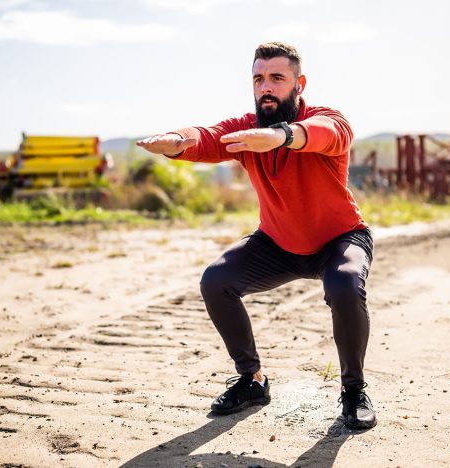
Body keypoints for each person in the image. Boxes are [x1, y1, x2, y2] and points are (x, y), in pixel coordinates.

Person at [137, 42, 376, 430]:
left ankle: (353, 391)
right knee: (216, 281)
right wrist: (175, 140)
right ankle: (252, 380)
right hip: (278, 244)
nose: (266, 86)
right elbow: (208, 136)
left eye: (277, 78)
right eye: (259, 78)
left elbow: (328, 134)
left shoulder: (326, 118)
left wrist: (282, 136)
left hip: (340, 239)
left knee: (346, 285)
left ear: (299, 83)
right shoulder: (247, 130)